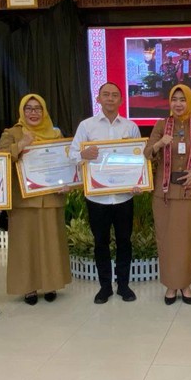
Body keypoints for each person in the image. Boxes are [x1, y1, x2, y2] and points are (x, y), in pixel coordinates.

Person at [69, 82, 141, 304]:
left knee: (124, 241)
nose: (110, 98)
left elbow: (139, 160)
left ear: (121, 100)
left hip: (123, 196)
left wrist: (139, 181)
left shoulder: (130, 127)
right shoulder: (87, 126)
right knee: (100, 243)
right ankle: (104, 287)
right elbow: (72, 154)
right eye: (106, 95)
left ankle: (124, 285)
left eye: (115, 95)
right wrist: (84, 153)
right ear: (98, 99)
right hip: (97, 197)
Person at [0, 94, 72, 305]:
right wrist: (20, 144)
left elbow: (66, 163)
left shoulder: (56, 134)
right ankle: (28, 287)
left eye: (38, 108)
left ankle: (51, 284)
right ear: (22, 111)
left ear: (44, 111)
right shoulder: (12, 133)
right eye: (29, 108)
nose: (33, 113)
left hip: (51, 198)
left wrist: (67, 182)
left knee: (51, 243)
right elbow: (0, 159)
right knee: (25, 245)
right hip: (24, 201)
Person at [144, 84, 191, 304]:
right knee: (166, 240)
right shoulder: (161, 125)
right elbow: (147, 153)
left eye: (183, 99)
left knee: (187, 240)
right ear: (170, 102)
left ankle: (185, 284)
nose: (179, 104)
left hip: (189, 192)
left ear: (189, 102)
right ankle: (170, 286)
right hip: (164, 194)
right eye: (175, 99)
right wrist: (158, 144)